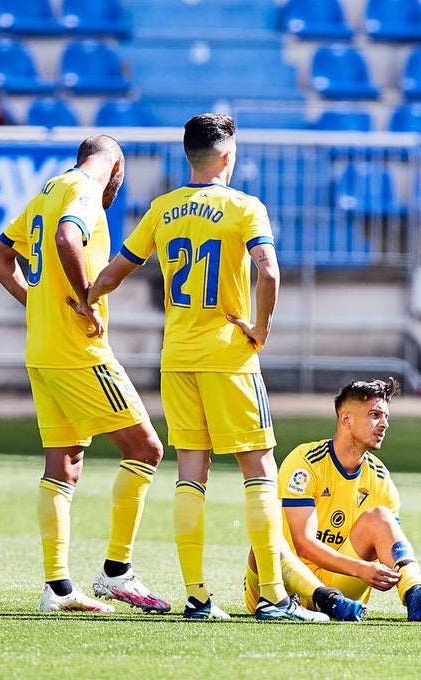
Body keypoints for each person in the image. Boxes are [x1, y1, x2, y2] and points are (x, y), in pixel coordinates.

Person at [88, 113, 315, 622]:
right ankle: (276, 599)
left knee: (192, 471)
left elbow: (115, 273)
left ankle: (197, 596)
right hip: (229, 356)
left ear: (187, 156)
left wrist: (86, 300)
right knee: (259, 469)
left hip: (178, 358)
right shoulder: (244, 208)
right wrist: (261, 327)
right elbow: (269, 271)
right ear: (228, 157)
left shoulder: (162, 209)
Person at [0, 135, 169, 614]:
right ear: (117, 166)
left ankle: (58, 590)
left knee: (64, 463)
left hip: (42, 349)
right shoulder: (86, 190)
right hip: (77, 350)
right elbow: (68, 238)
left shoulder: (49, 188)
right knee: (145, 448)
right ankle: (117, 572)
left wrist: (37, 306)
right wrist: (86, 298)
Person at [245, 378, 421, 622]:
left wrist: (414, 574)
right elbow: (303, 544)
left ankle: (415, 595)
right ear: (346, 419)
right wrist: (361, 569)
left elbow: (391, 547)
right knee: (268, 537)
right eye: (375, 415)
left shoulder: (380, 478)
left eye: (386, 416)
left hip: (341, 590)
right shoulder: (305, 462)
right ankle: (325, 600)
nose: (384, 424)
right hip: (283, 585)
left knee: (381, 518)